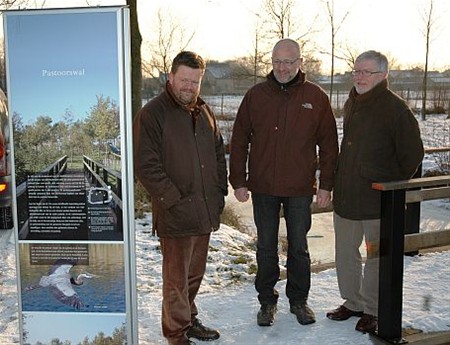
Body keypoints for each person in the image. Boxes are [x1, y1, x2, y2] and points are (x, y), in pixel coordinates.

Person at [229, 38, 339, 327]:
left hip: (300, 188)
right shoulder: (256, 95)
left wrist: (326, 184)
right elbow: (239, 140)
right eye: (277, 61)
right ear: (272, 62)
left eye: (289, 61)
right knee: (265, 247)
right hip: (263, 187)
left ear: (300, 63)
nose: (283, 67)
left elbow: (329, 144)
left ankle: (299, 300)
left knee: (299, 247)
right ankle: (267, 301)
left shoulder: (315, 97)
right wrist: (238, 180)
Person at [134, 51, 228, 345]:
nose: (189, 87)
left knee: (194, 275)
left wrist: (219, 192)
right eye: (184, 80)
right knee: (176, 281)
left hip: (204, 211)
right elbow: (145, 165)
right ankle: (176, 334)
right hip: (175, 213)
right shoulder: (153, 113)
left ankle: (188, 318)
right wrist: (173, 199)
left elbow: (217, 154)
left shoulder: (205, 112)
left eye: (195, 81)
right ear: (171, 77)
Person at [327, 50, 424, 333]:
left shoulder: (396, 109)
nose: (359, 76)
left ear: (383, 75)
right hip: (347, 198)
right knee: (345, 255)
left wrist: (389, 185)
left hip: (378, 202)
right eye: (356, 71)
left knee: (377, 258)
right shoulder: (352, 102)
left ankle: (372, 309)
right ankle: (353, 302)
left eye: (365, 72)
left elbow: (412, 154)